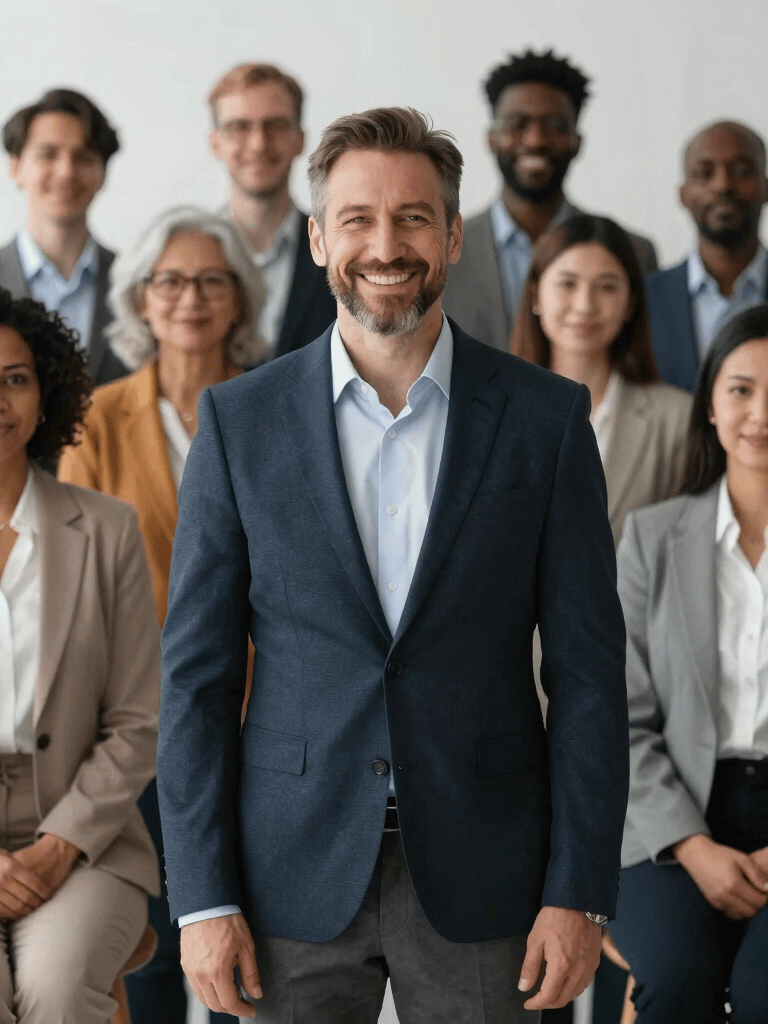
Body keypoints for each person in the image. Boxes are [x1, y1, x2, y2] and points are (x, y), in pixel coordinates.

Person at [157, 105, 628, 1024]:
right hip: (285, 873)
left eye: (413, 217)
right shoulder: (238, 423)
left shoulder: (545, 419)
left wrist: (579, 890)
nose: (386, 244)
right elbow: (197, 679)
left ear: (452, 234)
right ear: (319, 238)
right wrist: (202, 897)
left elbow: (587, 675)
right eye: (359, 220)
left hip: (490, 871)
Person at [57, 205, 265, 1024]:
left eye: (214, 280)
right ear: (140, 301)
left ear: (241, 299)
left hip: (256, 714)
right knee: (138, 953)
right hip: (131, 721)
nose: (190, 298)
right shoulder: (96, 418)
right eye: (169, 281)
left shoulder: (275, 406)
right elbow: (72, 578)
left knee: (241, 948)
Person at [0, 286, 160, 1022]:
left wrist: (59, 843)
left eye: (17, 377)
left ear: (46, 392)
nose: (0, 398)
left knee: (57, 994)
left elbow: (137, 720)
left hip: (85, 833)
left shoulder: (106, 528)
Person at [610, 303, 768, 1023]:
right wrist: (694, 846)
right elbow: (623, 718)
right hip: (670, 819)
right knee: (676, 981)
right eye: (741, 389)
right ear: (709, 402)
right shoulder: (651, 537)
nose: (761, 413)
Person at [442, 49, 658, 352]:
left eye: (555, 126)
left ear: (577, 142)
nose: (535, 140)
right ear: (491, 138)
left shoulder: (634, 252)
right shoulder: (441, 250)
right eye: (518, 124)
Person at [512, 214, 691, 545]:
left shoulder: (677, 420)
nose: (585, 306)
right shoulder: (495, 413)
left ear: (630, 304)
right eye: (567, 284)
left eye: (607, 287)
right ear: (536, 296)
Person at [208, 62, 336, 359]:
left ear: (300, 139)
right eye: (239, 127)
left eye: (275, 125)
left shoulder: (338, 250)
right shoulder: (188, 259)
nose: (258, 143)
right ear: (215, 144)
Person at [0, 88, 127, 385]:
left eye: (83, 157)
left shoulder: (137, 283)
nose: (66, 171)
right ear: (16, 167)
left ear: (102, 173)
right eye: (48, 154)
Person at [646, 121, 768, 392]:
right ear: (683, 194)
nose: (723, 185)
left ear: (765, 186)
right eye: (704, 173)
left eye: (742, 170)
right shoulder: (644, 299)